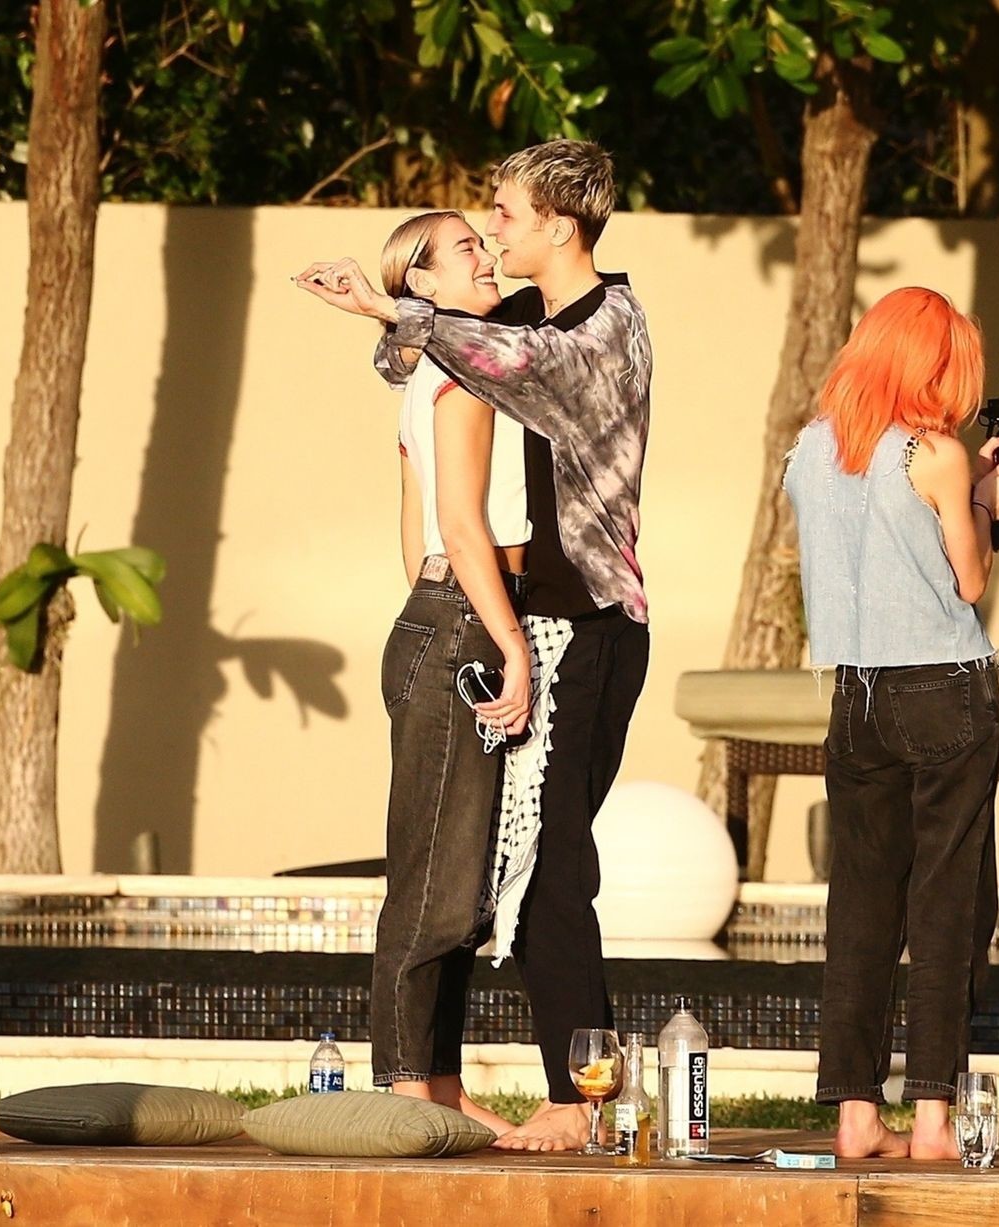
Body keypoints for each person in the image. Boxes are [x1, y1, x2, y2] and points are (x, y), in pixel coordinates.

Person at [295, 139, 649, 1152]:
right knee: (467, 869)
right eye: (477, 226)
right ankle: (433, 1087)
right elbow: (424, 367)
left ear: (559, 227)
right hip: (503, 620)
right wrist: (391, 314)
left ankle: (572, 1096)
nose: (491, 231)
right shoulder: (507, 326)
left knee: (542, 866)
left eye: (501, 215)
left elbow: (503, 360)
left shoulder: (600, 327)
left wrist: (390, 308)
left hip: (582, 621)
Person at [783, 286, 999, 1161]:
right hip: (943, 689)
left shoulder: (809, 450)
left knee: (861, 903)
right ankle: (931, 1118)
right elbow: (968, 580)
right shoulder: (936, 454)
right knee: (946, 903)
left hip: (854, 697)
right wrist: (991, 505)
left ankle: (855, 1113)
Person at [316, 210, 530, 1137]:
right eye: (466, 249)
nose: (487, 254)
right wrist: (507, 640)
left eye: (485, 240)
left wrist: (447, 608)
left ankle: (439, 1081)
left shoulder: (441, 369)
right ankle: (407, 1083)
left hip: (441, 616)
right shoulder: (460, 379)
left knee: (458, 871)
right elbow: (460, 525)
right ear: (424, 284)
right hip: (463, 622)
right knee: (435, 877)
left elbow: (418, 533)